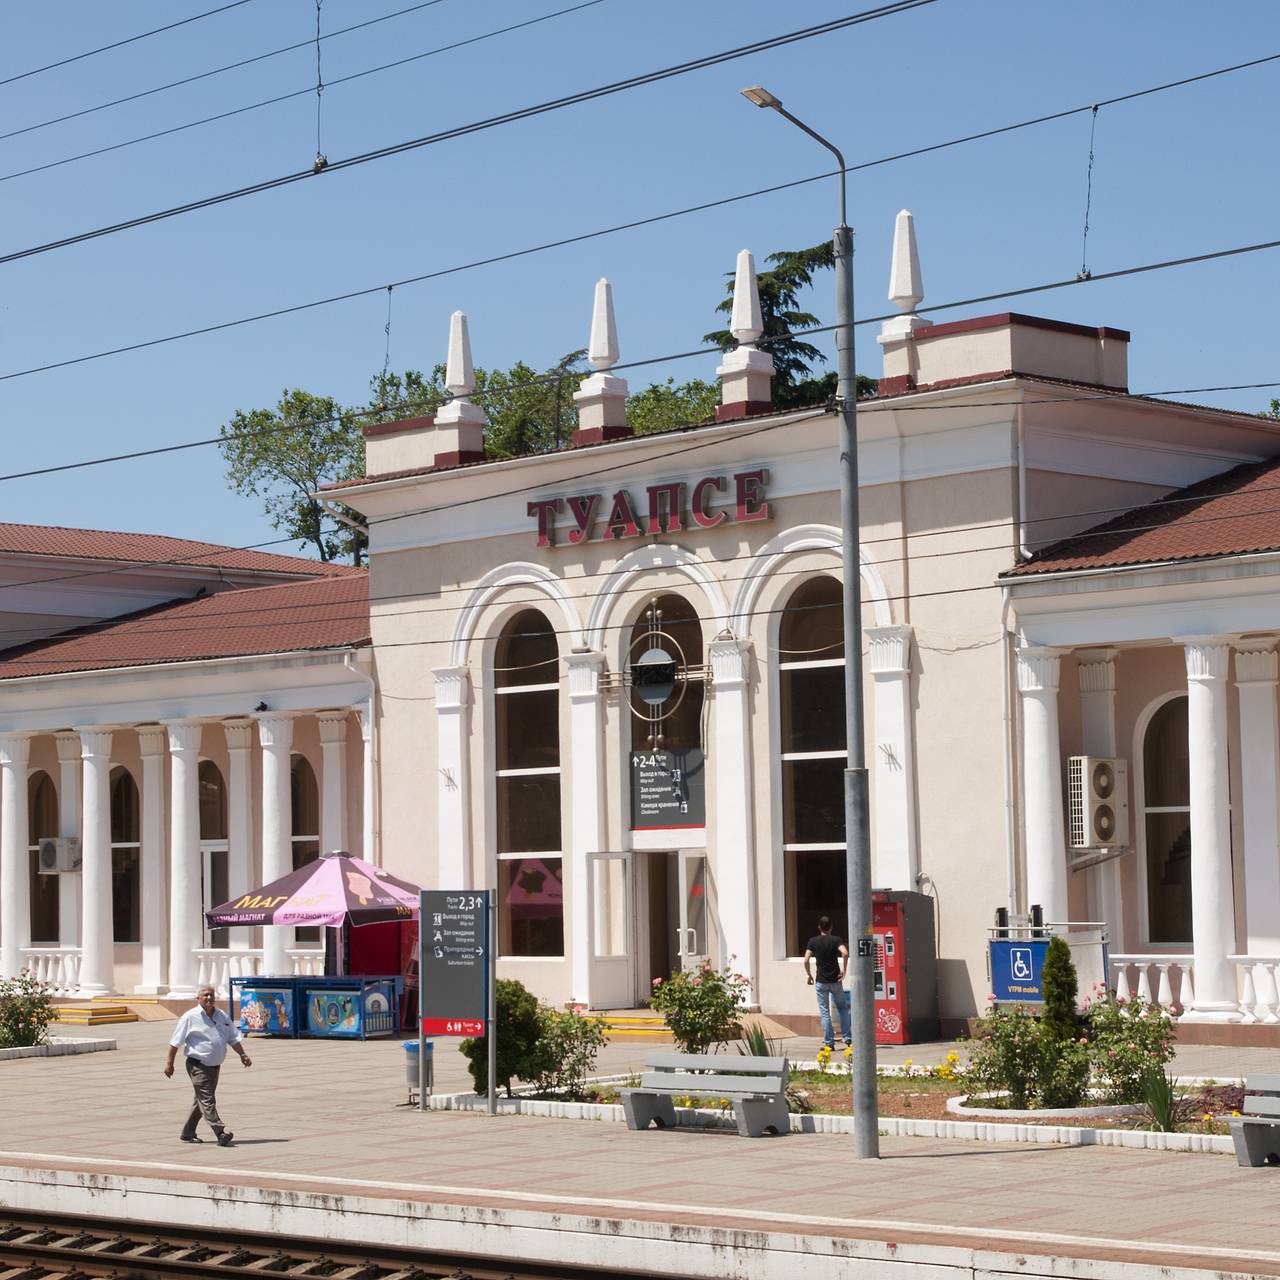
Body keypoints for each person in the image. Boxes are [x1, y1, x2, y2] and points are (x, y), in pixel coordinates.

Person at [164, 985, 252, 1146]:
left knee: (201, 1101)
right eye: (205, 995)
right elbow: (175, 1042)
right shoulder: (190, 1017)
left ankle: (187, 1133)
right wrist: (169, 1064)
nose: (209, 998)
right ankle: (220, 1133)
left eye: (211, 995)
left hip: (215, 1066)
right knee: (207, 1100)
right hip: (198, 1065)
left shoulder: (221, 1015)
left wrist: (243, 1055)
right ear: (198, 998)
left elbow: (233, 1037)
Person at [803, 916, 851, 1050]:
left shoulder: (813, 941)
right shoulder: (836, 940)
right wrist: (844, 970)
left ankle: (829, 1043)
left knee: (825, 1012)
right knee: (843, 1009)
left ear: (819, 927)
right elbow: (845, 953)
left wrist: (809, 975)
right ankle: (847, 1038)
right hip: (835, 981)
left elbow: (806, 960)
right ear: (831, 927)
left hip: (821, 981)